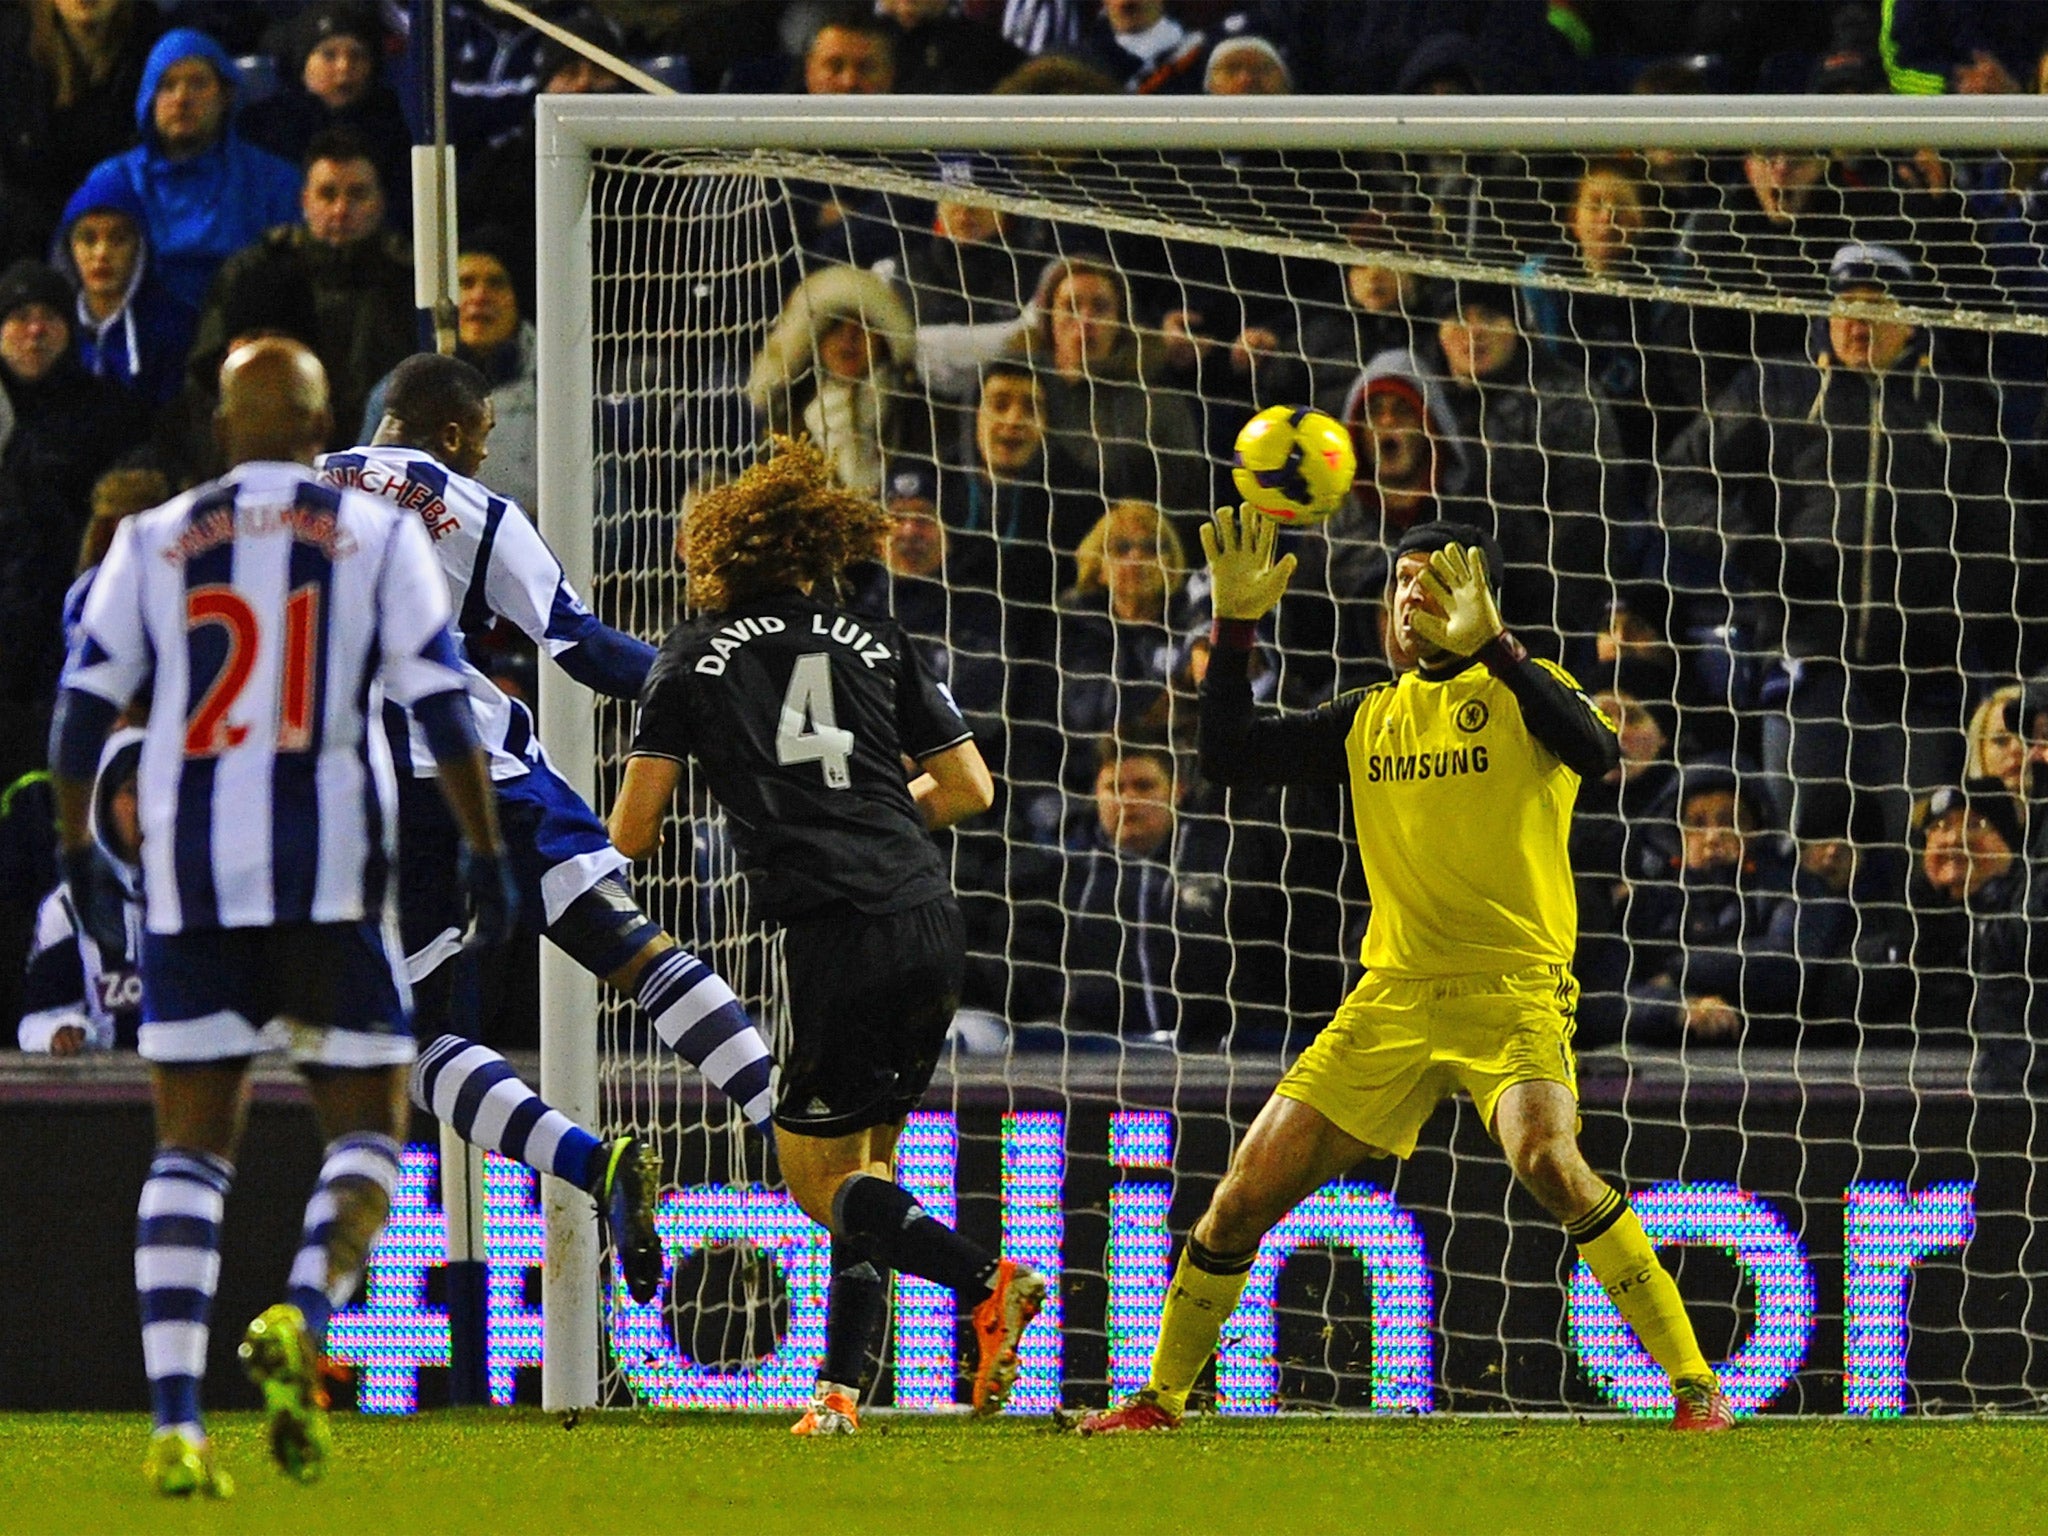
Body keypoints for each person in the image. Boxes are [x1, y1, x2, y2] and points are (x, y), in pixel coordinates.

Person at [1078, 509, 1733, 1433]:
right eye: (1400, 582)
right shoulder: (1368, 717)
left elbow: (1598, 753)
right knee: (1239, 1195)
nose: (1412, 596)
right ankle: (1157, 1397)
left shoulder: (1526, 690)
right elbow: (1227, 756)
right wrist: (1232, 629)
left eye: (1436, 580)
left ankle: (1696, 1387)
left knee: (1548, 1159)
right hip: (1390, 998)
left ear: (1479, 600)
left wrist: (1498, 648)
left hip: (1510, 990)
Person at [47, 337, 515, 1494]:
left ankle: (173, 1423)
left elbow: (77, 714)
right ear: (321, 431)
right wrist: (485, 847)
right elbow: (442, 708)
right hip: (329, 885)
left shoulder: (153, 539)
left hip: (192, 890)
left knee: (191, 1151)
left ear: (220, 425)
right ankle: (303, 1308)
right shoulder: (375, 534)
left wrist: (76, 851)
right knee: (369, 1137)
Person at [607, 436, 1045, 1435]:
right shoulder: (876, 635)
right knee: (867, 1167)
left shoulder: (688, 654)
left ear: (719, 552)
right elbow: (971, 787)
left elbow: (634, 833)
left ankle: (986, 1279)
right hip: (928, 918)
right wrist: (879, 822)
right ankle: (840, 1394)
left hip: (837, 935)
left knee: (817, 1180)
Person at [316, 354, 779, 1280]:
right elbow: (579, 645)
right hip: (483, 768)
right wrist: (706, 686)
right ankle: (779, 1114)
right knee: (630, 949)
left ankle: (591, 1162)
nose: (484, 456)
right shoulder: (469, 506)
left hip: (364, 796)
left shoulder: (300, 493)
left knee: (425, 1045)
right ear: (451, 433)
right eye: (484, 439)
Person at [187, 127, 414, 452]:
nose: (340, 210)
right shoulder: (254, 274)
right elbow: (207, 384)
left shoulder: (407, 280)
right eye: (328, 194)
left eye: (357, 194)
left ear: (380, 202)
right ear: (304, 201)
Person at [72, 27, 301, 312]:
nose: (181, 98)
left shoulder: (274, 181)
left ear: (226, 94)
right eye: (167, 85)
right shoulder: (112, 181)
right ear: (149, 98)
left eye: (197, 84)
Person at [18, 728, 142, 1054]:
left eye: (158, 789)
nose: (146, 806)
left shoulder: (205, 896)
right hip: (103, 1095)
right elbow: (36, 1023)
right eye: (131, 790)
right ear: (102, 802)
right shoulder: (69, 908)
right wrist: (59, 1031)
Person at [54, 162, 197, 405]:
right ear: (68, 249)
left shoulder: (175, 327)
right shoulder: (53, 325)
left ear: (140, 248)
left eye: (118, 239)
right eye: (88, 239)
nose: (101, 253)